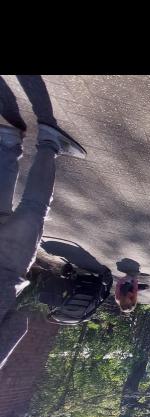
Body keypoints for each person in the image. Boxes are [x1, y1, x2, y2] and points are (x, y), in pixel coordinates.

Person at [0, 118, 86, 368]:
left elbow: (18, 322)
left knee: (34, 208)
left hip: (6, 271)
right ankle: (8, 144)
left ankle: (49, 143)